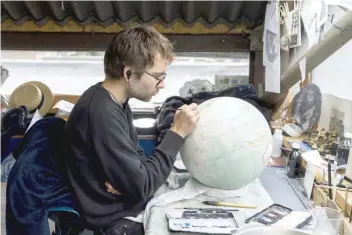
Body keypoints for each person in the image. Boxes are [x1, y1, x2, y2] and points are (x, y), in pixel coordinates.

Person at [64, 25, 200, 235]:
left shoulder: (117, 101)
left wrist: (131, 184)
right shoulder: (101, 112)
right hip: (116, 222)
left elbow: (139, 164)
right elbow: (143, 185)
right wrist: (177, 133)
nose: (162, 85)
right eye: (157, 76)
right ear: (128, 73)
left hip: (125, 207)